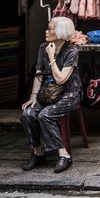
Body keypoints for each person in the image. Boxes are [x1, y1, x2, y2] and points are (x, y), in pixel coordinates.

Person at [20, 17, 81, 173]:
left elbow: (61, 80)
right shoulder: (43, 48)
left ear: (61, 32)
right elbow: (39, 74)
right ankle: (38, 153)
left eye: (50, 28)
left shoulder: (71, 51)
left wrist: (52, 57)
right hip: (47, 94)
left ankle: (64, 154)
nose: (46, 31)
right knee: (28, 114)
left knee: (45, 115)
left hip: (69, 94)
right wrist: (33, 96)